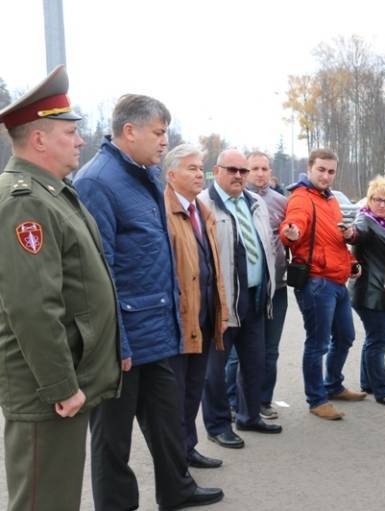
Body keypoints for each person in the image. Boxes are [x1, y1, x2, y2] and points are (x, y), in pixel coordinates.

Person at [75, 94, 223, 510]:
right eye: (158, 133)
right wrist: (115, 343)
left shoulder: (146, 176)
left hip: (156, 330)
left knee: (168, 422)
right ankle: (117, 504)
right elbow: (97, 272)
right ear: (129, 131)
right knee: (112, 438)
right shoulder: (98, 182)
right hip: (122, 339)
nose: (164, 142)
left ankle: (177, 489)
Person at [0, 65, 121, 511]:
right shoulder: (25, 201)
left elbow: (82, 289)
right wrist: (60, 387)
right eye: (70, 131)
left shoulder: (51, 193)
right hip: (47, 390)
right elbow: (31, 307)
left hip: (65, 380)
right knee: (42, 501)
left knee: (57, 497)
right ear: (39, 140)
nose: (80, 139)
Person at [198, 149, 282, 448]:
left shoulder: (255, 202)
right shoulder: (204, 204)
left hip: (256, 297)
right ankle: (218, 424)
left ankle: (249, 415)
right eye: (231, 169)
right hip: (222, 301)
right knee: (215, 369)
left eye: (242, 171)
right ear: (216, 171)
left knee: (254, 361)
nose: (238, 176)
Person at [279, 148, 366, 420]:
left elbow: (332, 239)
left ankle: (334, 385)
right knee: (318, 344)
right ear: (309, 168)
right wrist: (291, 234)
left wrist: (350, 259)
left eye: (331, 172)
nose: (326, 176)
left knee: (345, 337)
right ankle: (317, 399)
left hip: (337, 280)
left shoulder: (329, 200)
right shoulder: (302, 198)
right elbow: (294, 226)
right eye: (321, 170)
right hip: (317, 282)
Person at [163, 144, 228, 469]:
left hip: (204, 318)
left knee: (193, 391)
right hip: (180, 320)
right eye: (190, 168)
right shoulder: (164, 211)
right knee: (175, 397)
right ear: (171, 174)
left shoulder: (201, 212)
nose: (198, 173)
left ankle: (188, 449)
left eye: (200, 167)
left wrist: (221, 312)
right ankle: (176, 462)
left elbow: (212, 267)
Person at [344, 176, 385, 408]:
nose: (382, 204)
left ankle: (368, 383)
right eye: (377, 199)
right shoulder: (366, 220)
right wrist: (349, 234)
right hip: (373, 293)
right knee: (378, 342)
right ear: (369, 200)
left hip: (382, 291)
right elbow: (357, 233)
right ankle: (382, 390)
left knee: (373, 340)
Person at [246, 151, 288, 419]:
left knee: (270, 350)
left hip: (277, 288)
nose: (260, 173)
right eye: (254, 169)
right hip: (248, 287)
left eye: (264, 168)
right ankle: (232, 400)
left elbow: (291, 235)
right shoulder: (238, 201)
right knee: (241, 352)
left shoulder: (282, 202)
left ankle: (263, 401)